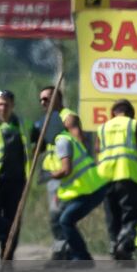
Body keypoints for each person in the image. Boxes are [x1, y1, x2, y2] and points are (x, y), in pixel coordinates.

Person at [47, 112, 108, 261]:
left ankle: (82, 257)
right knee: (63, 219)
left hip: (90, 190)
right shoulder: (67, 138)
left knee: (65, 221)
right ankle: (73, 254)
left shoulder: (61, 141)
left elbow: (66, 170)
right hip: (91, 188)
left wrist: (51, 175)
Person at [95, 99, 137, 261]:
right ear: (130, 112)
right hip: (127, 175)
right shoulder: (133, 125)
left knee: (112, 215)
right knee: (131, 215)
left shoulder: (102, 128)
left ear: (113, 113)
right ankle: (124, 246)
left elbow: (97, 154)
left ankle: (114, 245)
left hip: (105, 178)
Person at [32, 85, 81, 243]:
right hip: (52, 175)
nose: (43, 103)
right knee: (56, 216)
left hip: (66, 174)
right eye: (41, 100)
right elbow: (40, 149)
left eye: (46, 98)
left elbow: (79, 143)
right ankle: (62, 250)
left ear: (57, 99)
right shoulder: (45, 122)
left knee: (61, 216)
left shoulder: (68, 117)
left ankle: (66, 251)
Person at [0, 89, 27, 250]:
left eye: (6, 104)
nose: (3, 108)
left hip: (17, 180)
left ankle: (8, 257)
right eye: (0, 104)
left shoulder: (23, 125)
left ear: (12, 105)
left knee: (14, 220)